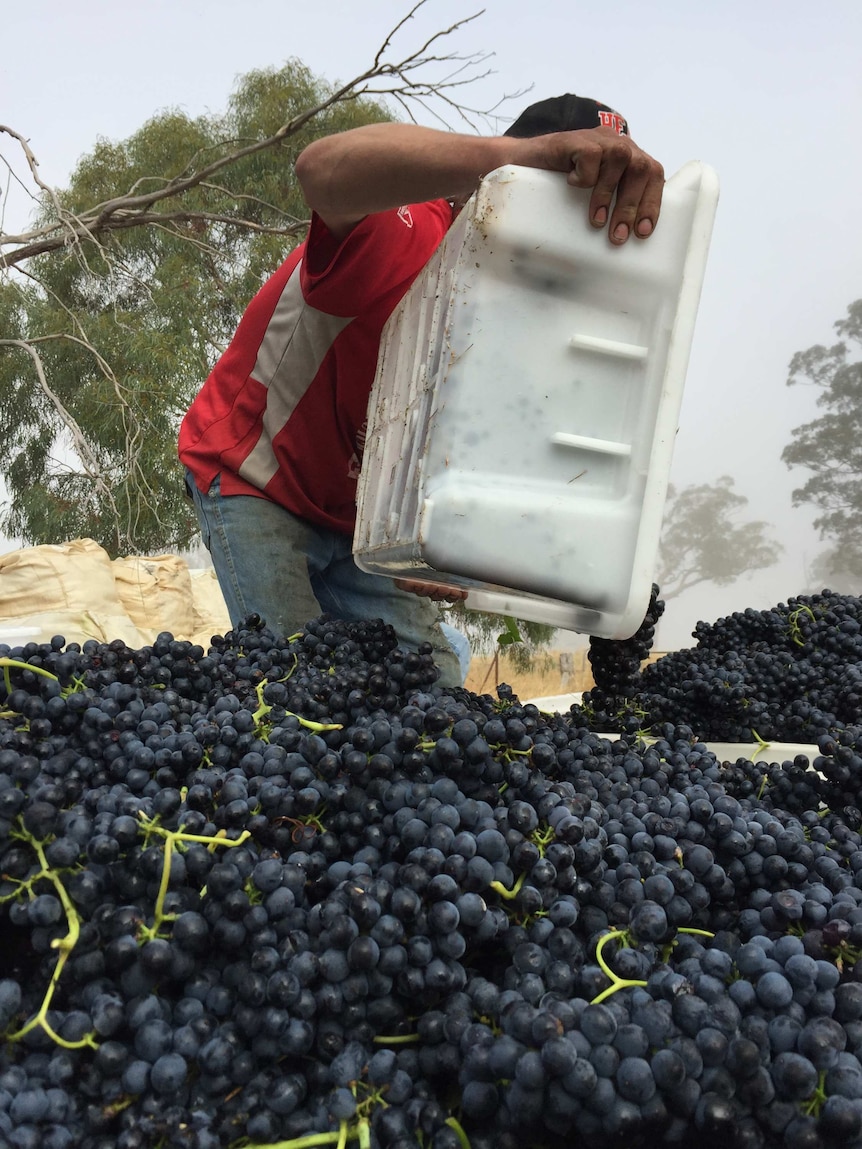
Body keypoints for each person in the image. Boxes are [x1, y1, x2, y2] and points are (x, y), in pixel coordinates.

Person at [178, 94, 664, 688]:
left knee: (434, 692)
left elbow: (455, 446)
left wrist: (439, 546)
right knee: (290, 690)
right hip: (257, 481)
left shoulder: (516, 311)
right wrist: (510, 156)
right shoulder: (402, 222)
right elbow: (320, 168)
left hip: (358, 525)